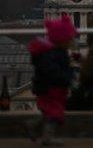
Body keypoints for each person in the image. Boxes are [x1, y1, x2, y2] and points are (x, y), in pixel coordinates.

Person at [26, 14, 77, 146]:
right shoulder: (52, 54)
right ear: (61, 40)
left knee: (50, 113)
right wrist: (67, 78)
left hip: (50, 88)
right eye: (70, 39)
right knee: (55, 114)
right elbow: (53, 71)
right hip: (50, 89)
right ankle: (47, 138)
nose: (72, 41)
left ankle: (33, 125)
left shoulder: (54, 51)